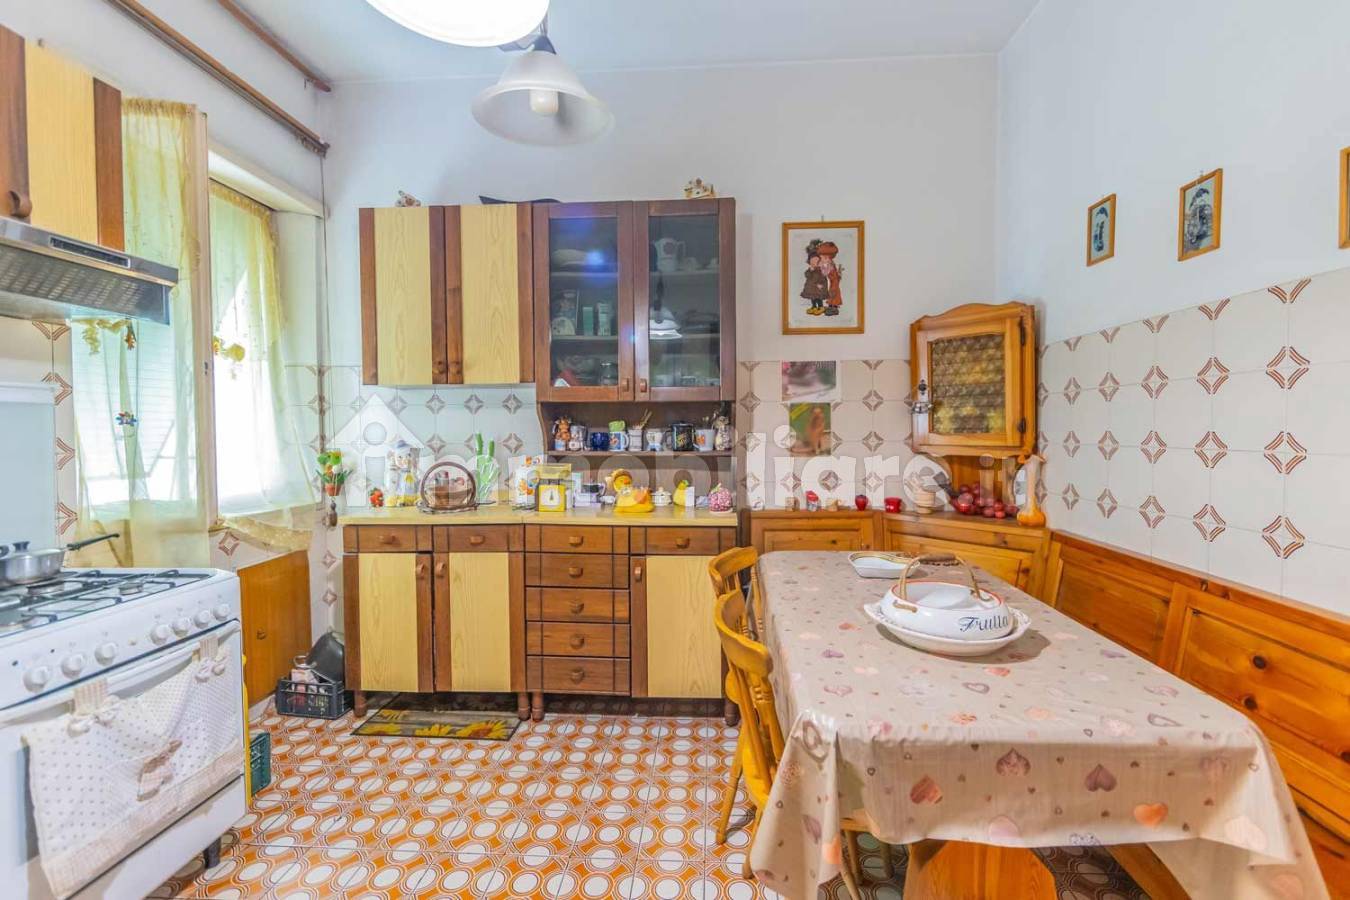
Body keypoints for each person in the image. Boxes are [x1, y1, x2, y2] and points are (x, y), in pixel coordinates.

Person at [800, 240, 829, 316]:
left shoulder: (820, 270)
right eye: (811, 261)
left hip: (819, 286)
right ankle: (814, 307)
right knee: (812, 298)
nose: (813, 262)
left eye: (815, 261)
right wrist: (810, 270)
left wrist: (821, 284)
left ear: (819, 261)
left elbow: (823, 277)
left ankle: (820, 307)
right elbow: (807, 275)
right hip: (811, 287)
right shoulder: (810, 269)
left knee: (818, 297)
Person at [817, 240, 843, 316]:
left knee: (833, 293)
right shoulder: (827, 262)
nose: (822, 258)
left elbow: (826, 273)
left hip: (834, 282)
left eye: (824, 257)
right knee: (831, 293)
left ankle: (833, 307)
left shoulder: (830, 264)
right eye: (821, 256)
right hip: (832, 281)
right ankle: (831, 306)